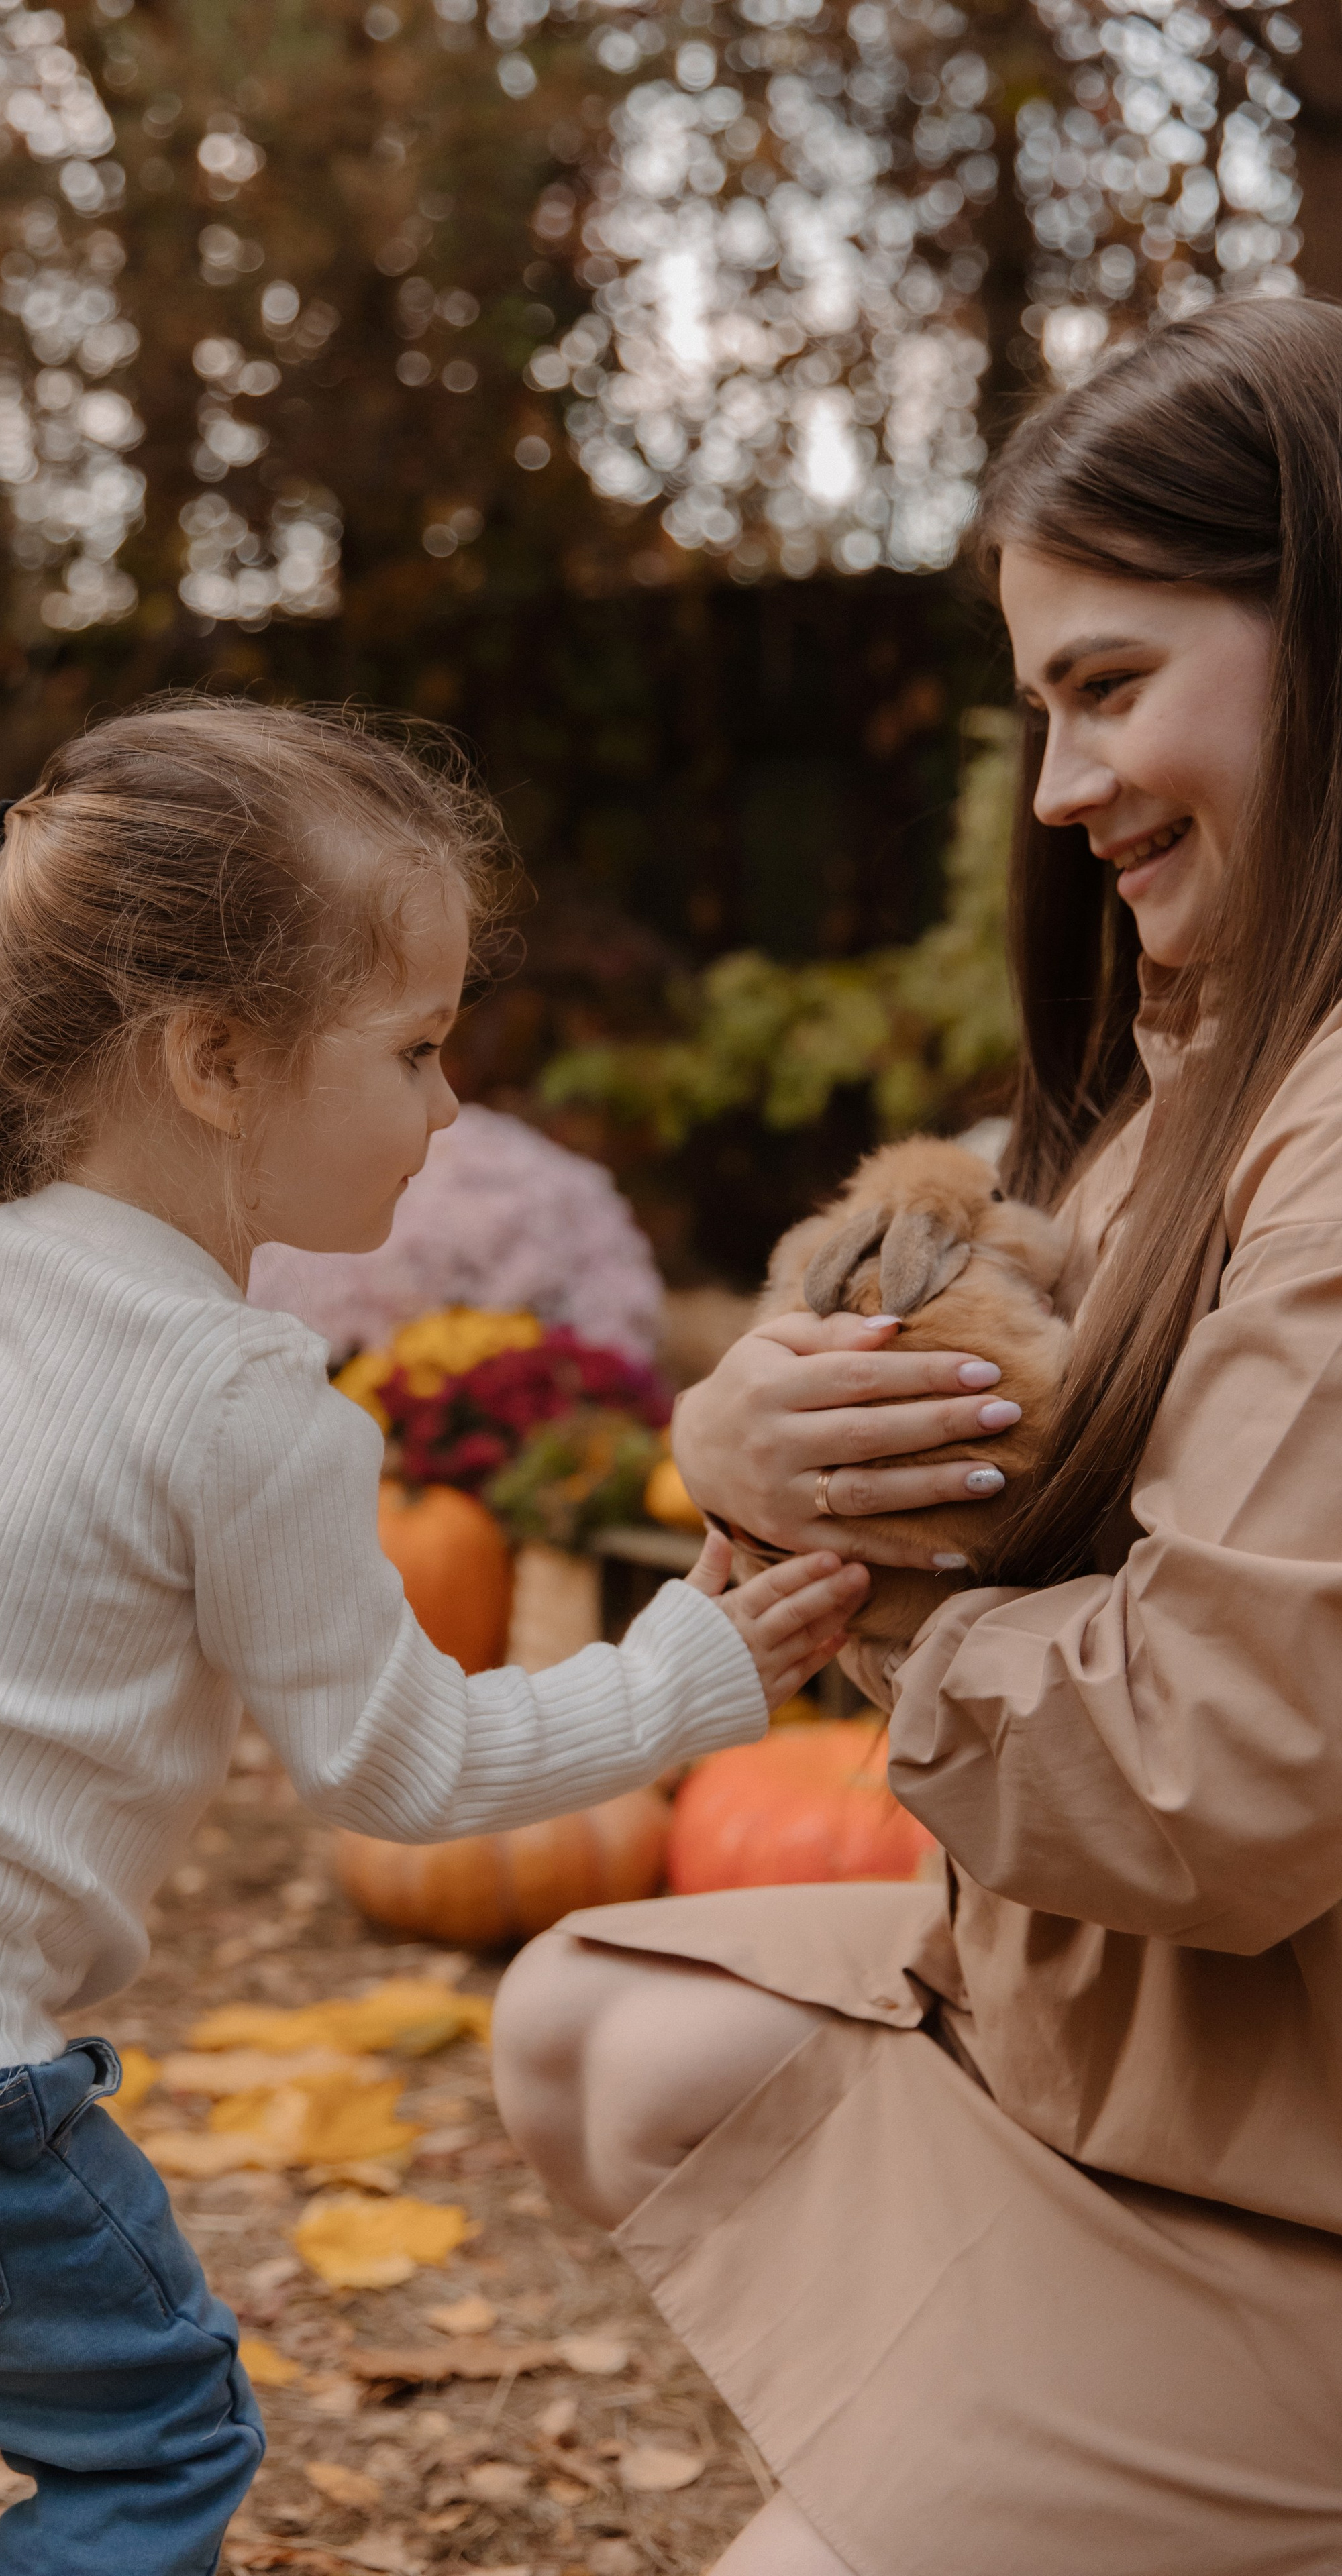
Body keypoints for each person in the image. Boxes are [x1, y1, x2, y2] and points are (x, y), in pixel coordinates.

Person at [0, 701, 868, 2571]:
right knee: (157, 2437)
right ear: (215, 1059)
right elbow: (404, 1768)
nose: (452, 1106)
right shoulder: (244, 1403)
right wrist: (700, 1670)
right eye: (418, 1049)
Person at [493, 296, 1342, 2576]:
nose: (1062, 793)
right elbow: (949, 1267)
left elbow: (1215, 1771)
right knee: (592, 2018)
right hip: (1187, 2099)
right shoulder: (1220, 1066)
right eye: (1038, 708)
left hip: (1294, 2192)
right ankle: (1010, 2412)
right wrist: (749, 1423)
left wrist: (870, 1585)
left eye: (1111, 690)